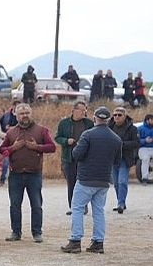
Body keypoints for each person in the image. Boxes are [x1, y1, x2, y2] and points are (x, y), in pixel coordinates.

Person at [60, 107, 121, 254]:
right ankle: (98, 242)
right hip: (104, 180)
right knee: (99, 211)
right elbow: (117, 161)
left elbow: (77, 154)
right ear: (108, 119)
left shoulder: (87, 135)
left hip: (86, 179)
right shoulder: (116, 138)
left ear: (94, 118)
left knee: (77, 208)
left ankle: (75, 241)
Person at [0, 103, 56, 242]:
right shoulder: (11, 132)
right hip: (16, 175)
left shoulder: (42, 130)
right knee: (15, 205)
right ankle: (16, 232)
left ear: (31, 113)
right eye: (21, 113)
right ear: (16, 115)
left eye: (27, 113)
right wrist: (13, 148)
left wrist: (36, 147)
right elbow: (1, 150)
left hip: (34, 174)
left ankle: (37, 232)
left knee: (36, 205)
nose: (24, 116)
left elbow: (52, 147)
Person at [54, 101, 93, 215]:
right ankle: (73, 207)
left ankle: (83, 206)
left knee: (83, 183)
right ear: (74, 110)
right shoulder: (64, 123)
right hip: (69, 158)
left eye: (85, 110)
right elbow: (57, 137)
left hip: (85, 159)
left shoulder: (89, 124)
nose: (84, 112)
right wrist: (66, 141)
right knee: (71, 183)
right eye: (81, 110)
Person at [108, 107, 139, 212]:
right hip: (112, 159)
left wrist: (122, 144)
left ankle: (121, 203)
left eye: (119, 115)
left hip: (124, 159)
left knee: (122, 182)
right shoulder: (109, 127)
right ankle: (121, 202)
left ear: (125, 116)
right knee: (116, 183)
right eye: (115, 115)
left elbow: (136, 143)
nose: (116, 117)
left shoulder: (132, 128)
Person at [0, 99, 21, 184]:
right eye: (16, 106)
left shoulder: (22, 116)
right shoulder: (6, 115)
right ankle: (2, 179)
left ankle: (16, 179)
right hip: (8, 141)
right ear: (13, 106)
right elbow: (1, 126)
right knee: (5, 161)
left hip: (19, 141)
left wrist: (13, 128)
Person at [138, 114, 153, 184]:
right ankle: (144, 178)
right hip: (143, 148)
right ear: (147, 120)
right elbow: (136, 140)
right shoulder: (140, 128)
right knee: (145, 159)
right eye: (152, 120)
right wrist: (145, 140)